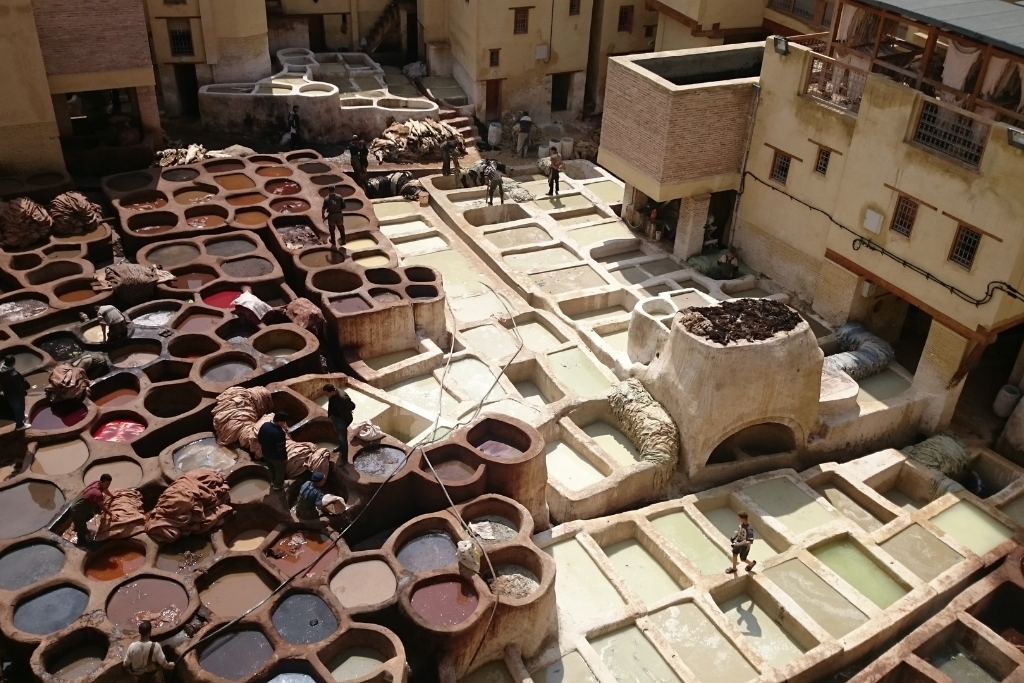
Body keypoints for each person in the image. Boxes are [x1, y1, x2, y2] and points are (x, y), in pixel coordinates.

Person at [72, 473, 112, 545]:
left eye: (109, 484)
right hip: (77, 509)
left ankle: (78, 526)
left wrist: (112, 496)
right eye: (106, 484)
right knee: (81, 530)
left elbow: (106, 490)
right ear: (101, 482)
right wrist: (111, 514)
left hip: (78, 504)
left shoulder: (97, 483)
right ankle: (82, 544)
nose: (107, 486)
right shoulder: (97, 493)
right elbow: (102, 507)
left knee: (90, 515)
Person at [258, 413, 290, 491]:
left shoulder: (265, 425)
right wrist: (284, 458)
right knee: (280, 471)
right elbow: (281, 449)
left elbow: (259, 438)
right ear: (279, 421)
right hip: (276, 457)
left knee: (271, 468)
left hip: (265, 453)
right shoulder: (279, 433)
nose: (284, 424)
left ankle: (273, 481)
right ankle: (278, 485)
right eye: (283, 422)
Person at [323, 384, 355, 459]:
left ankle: (344, 457)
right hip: (335, 417)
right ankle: (340, 447)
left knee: (343, 438)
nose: (326, 395)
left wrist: (348, 410)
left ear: (332, 391)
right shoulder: (332, 394)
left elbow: (352, 406)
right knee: (338, 434)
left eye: (327, 394)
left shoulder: (343, 397)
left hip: (342, 420)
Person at [0, 355, 30, 430]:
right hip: (16, 394)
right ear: (13, 363)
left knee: (15, 407)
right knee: (18, 408)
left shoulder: (1, 370)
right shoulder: (14, 375)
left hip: (7, 393)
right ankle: (20, 425)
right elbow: (18, 387)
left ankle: (22, 417)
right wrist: (23, 392)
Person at [322, 186, 346, 253]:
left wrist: (323, 215)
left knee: (332, 229)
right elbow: (344, 206)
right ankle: (343, 241)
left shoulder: (326, 199)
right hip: (338, 214)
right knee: (341, 227)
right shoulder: (339, 197)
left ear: (328, 190)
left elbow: (323, 208)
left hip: (331, 215)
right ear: (334, 189)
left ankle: (333, 242)